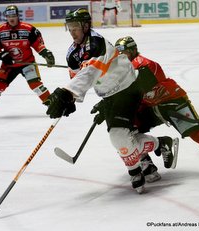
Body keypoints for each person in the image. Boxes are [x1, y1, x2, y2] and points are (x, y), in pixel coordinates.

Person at [44, 8, 179, 194]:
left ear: (85, 26)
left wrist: (66, 93)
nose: (72, 32)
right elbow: (77, 76)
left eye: (75, 27)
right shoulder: (72, 54)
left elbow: (91, 71)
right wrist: (71, 99)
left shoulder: (97, 43)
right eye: (70, 27)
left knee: (119, 137)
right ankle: (156, 149)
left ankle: (136, 167)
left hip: (128, 88)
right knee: (124, 137)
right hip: (108, 94)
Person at [94, 36, 199, 169]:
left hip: (172, 102)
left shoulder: (144, 65)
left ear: (133, 51)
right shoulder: (124, 70)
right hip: (150, 106)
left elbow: (130, 90)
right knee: (125, 129)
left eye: (124, 52)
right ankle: (149, 163)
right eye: (118, 53)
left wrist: (109, 104)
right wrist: (106, 105)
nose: (121, 56)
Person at [0, 5, 55, 117]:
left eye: (14, 15)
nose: (11, 18)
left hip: (27, 63)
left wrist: (46, 54)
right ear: (6, 17)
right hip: (9, 65)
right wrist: (1, 54)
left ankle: (52, 105)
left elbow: (38, 44)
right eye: (9, 16)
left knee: (36, 85)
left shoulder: (29, 29)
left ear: (18, 16)